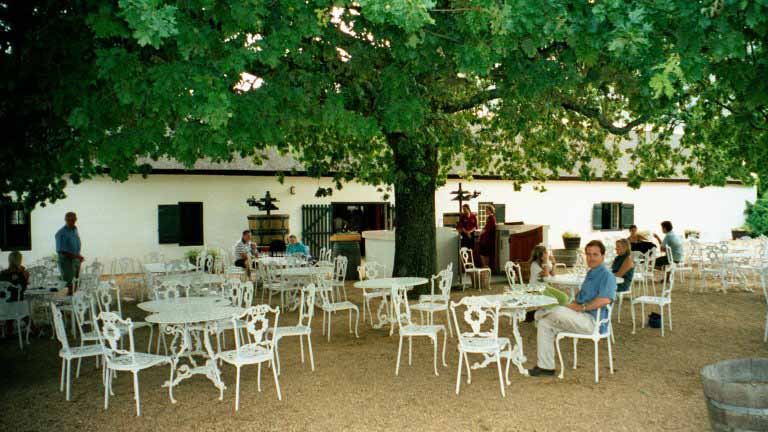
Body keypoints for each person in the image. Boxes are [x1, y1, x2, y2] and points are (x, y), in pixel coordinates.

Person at [530, 240, 617, 377]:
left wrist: (581, 307)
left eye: (595, 254)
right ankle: (546, 367)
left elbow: (605, 300)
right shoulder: (591, 273)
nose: (591, 258)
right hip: (580, 317)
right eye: (588, 254)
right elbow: (582, 297)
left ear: (602, 256)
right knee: (544, 323)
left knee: (557, 310)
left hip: (593, 322)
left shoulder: (607, 275)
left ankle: (537, 314)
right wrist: (574, 302)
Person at [55, 212, 83, 295]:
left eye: (73, 219)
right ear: (65, 220)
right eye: (69, 219)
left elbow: (74, 246)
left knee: (76, 285)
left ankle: (75, 301)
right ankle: (70, 301)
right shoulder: (61, 233)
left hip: (75, 261)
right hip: (66, 263)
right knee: (70, 286)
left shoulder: (75, 230)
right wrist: (76, 256)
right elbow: (61, 250)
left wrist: (78, 256)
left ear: (76, 219)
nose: (72, 221)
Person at [478, 204, 496, 269]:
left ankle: (485, 267)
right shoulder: (489, 218)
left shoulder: (491, 218)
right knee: (484, 254)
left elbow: (486, 229)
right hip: (486, 239)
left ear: (490, 210)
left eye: (487, 210)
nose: (486, 211)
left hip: (488, 240)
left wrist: (480, 235)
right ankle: (485, 267)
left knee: (484, 254)